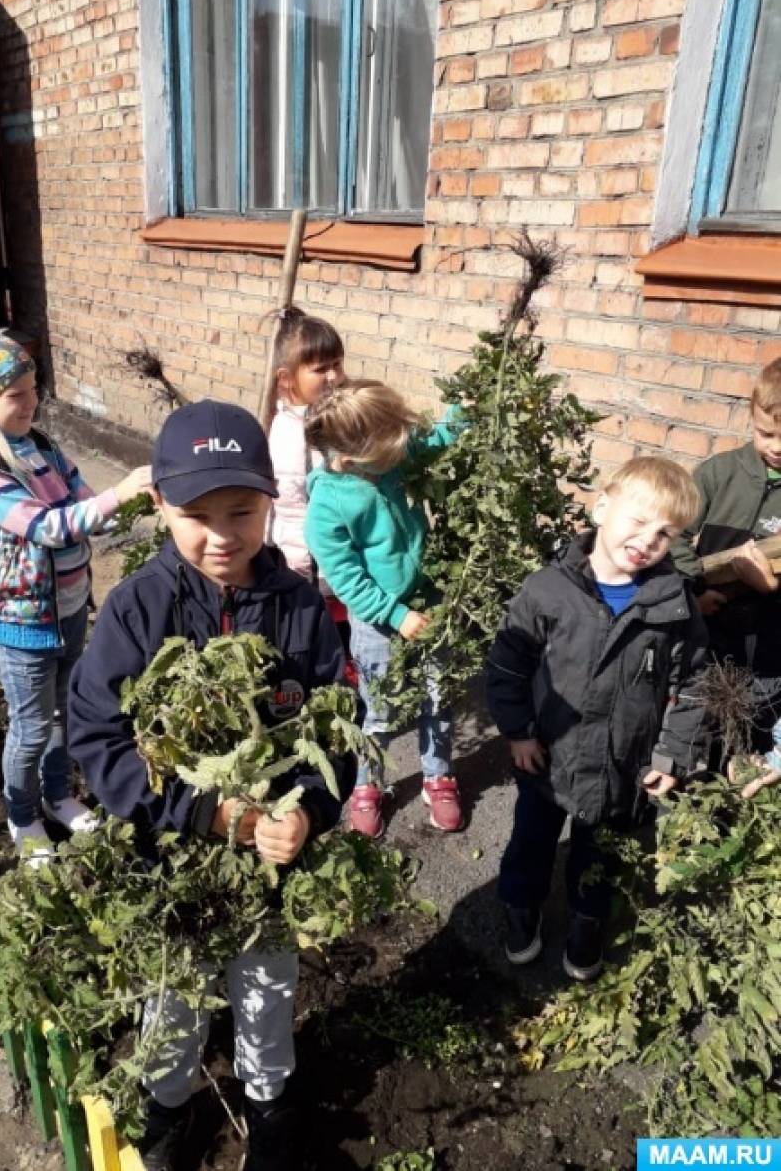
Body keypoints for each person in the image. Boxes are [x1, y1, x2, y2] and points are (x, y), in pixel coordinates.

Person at [67, 399, 356, 1171]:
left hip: (270, 870)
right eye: (198, 514)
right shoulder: (137, 608)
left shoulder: (299, 606)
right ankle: (169, 1105)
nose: (222, 534)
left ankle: (269, 1106)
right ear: (160, 504)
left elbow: (338, 727)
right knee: (173, 997)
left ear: (270, 502)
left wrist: (309, 810)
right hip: (169, 863)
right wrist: (202, 811)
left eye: (241, 511)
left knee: (266, 993)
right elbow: (97, 737)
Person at [0, 321, 152, 862]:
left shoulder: (40, 448)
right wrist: (121, 495)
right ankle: (22, 816)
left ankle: (58, 796)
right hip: (20, 621)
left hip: (67, 608)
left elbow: (87, 506)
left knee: (65, 713)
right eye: (16, 395)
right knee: (30, 728)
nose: (32, 402)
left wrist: (142, 503)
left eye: (33, 388)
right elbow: (46, 526)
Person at [486, 456, 709, 982]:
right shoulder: (548, 590)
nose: (648, 540)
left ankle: (588, 922)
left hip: (622, 769)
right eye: (638, 520)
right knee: (530, 844)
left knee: (601, 858)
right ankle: (521, 906)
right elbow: (507, 665)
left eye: (665, 534)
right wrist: (518, 732)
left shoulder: (673, 605)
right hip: (548, 759)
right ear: (603, 506)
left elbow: (695, 686)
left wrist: (671, 757)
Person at [304, 378, 464, 838]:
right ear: (351, 457)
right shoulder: (327, 508)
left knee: (439, 693)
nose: (403, 450)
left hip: (429, 599)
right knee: (380, 708)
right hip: (379, 620)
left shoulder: (389, 459)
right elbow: (349, 581)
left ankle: (438, 775)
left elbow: (430, 443)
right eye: (394, 446)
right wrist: (396, 615)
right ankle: (369, 782)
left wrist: (461, 412)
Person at [672, 356, 781, 777]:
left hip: (769, 641)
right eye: (766, 433)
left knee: (754, 724)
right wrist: (696, 592)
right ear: (751, 418)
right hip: (708, 628)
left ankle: (740, 789)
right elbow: (673, 533)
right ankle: (681, 785)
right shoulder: (719, 474)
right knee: (695, 717)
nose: (776, 446)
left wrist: (768, 587)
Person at [262, 307, 352, 654]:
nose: (334, 376)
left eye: (337, 365)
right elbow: (287, 505)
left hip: (338, 565)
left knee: (339, 645)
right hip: (302, 563)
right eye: (321, 369)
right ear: (286, 379)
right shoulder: (285, 434)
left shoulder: (340, 420)